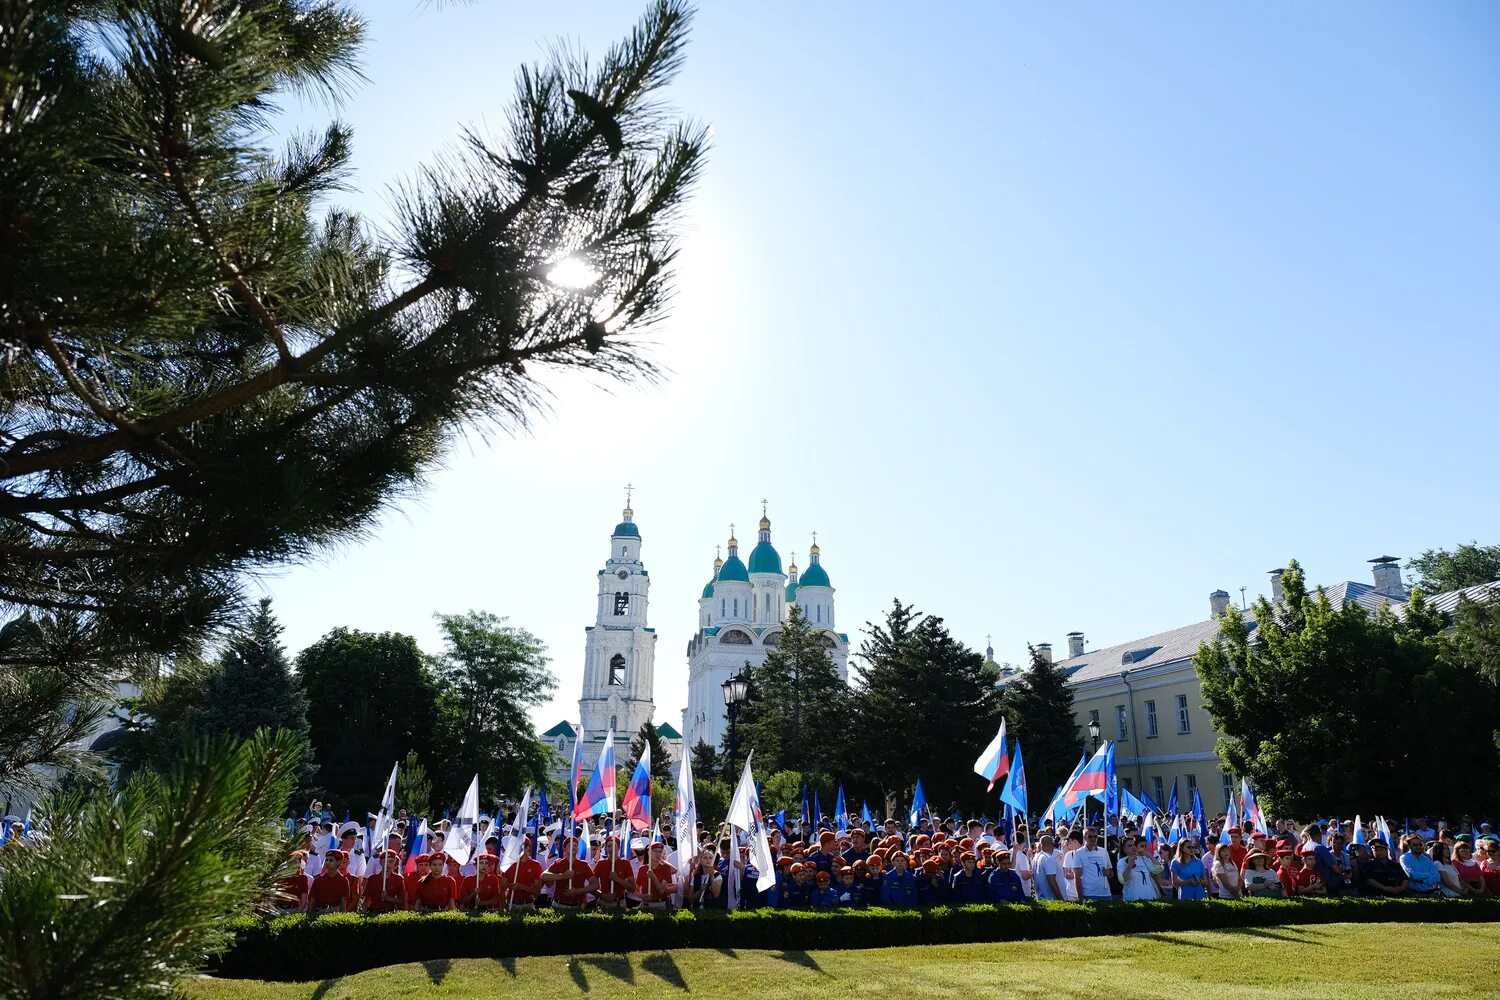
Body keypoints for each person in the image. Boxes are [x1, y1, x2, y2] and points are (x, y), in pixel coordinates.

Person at [542, 836, 596, 912]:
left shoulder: (584, 865)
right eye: (570, 845)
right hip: (559, 906)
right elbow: (543, 876)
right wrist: (563, 876)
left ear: (578, 848)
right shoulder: (558, 863)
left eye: (575, 845)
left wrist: (578, 891)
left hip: (578, 906)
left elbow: (595, 885)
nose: (573, 847)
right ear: (564, 848)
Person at [1068, 828, 1113, 901]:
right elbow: (1077, 877)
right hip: (1088, 894)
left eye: (1095, 836)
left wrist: (1109, 873)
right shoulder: (1078, 853)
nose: (1093, 839)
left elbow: (1111, 873)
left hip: (1106, 893)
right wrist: (1080, 897)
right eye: (1090, 837)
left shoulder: (1103, 851)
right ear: (1084, 837)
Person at [498, 841, 544, 912]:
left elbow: (537, 892)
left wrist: (521, 887)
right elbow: (502, 888)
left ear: (528, 848)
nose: (518, 850)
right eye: (516, 848)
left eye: (521, 847)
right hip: (511, 905)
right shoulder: (508, 865)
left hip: (528, 905)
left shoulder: (536, 865)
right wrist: (504, 906)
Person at [593, 834, 636, 911]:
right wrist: (602, 895)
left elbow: (632, 888)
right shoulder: (600, 864)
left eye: (614, 846)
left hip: (620, 903)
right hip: (603, 903)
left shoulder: (625, 863)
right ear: (605, 848)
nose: (611, 849)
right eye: (609, 846)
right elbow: (591, 887)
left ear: (619, 847)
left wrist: (617, 879)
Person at [636, 841, 677, 911]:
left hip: (660, 905)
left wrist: (653, 877)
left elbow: (661, 891)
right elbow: (636, 889)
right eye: (655, 851)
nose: (658, 854)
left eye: (660, 852)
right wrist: (643, 896)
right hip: (645, 904)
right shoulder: (643, 869)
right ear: (649, 853)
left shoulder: (665, 869)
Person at [308, 849, 352, 913]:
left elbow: (343, 904)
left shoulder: (344, 881)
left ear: (339, 862)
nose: (327, 862)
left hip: (335, 914)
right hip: (319, 912)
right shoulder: (318, 880)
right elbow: (312, 902)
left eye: (331, 860)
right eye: (326, 860)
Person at [1117, 837, 1158, 902]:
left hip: (1150, 897)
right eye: (1130, 845)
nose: (1133, 847)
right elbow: (1122, 881)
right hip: (1133, 899)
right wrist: (1129, 866)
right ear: (1124, 849)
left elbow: (1159, 869)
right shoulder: (1122, 861)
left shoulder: (1143, 859)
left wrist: (1149, 855)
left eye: (1134, 845)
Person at [1033, 835, 1064, 901]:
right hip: (1050, 899)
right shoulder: (1049, 859)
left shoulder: (1036, 857)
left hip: (1040, 897)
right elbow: (1051, 880)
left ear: (1041, 845)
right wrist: (1061, 899)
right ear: (1052, 845)